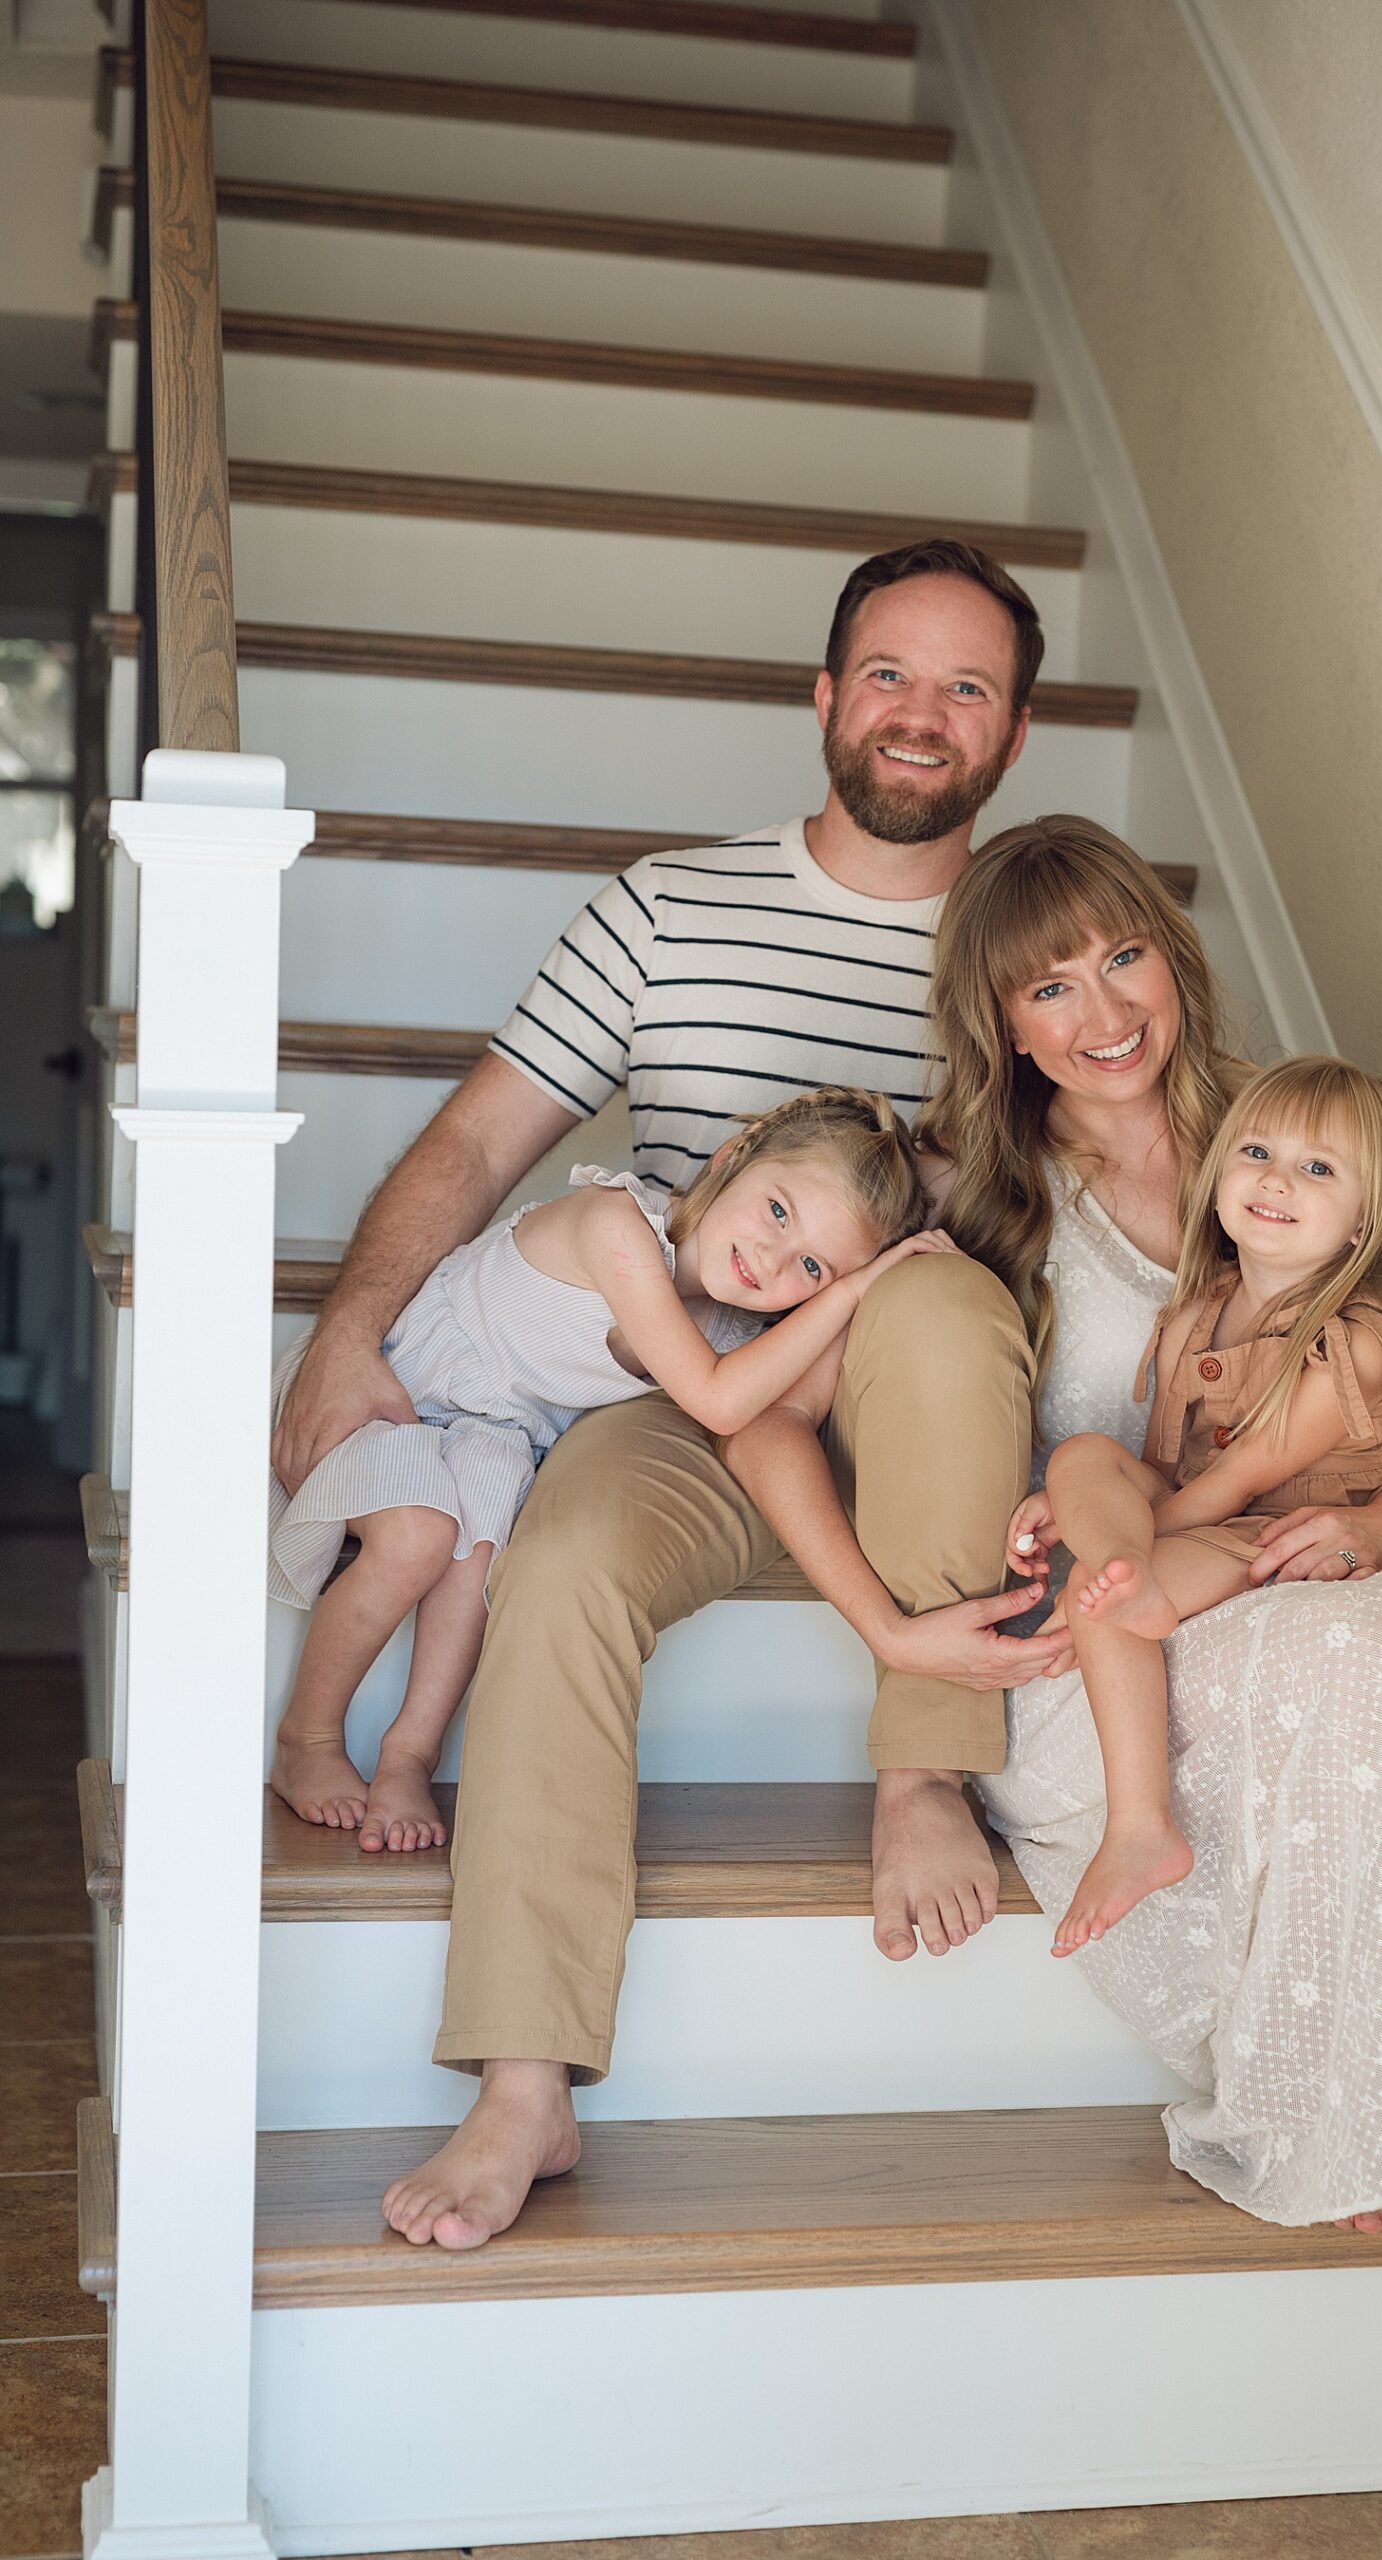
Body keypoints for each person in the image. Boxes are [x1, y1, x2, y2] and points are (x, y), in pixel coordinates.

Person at [272, 539, 1075, 2252]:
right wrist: (352, 1329)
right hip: (690, 1381)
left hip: (925, 1402)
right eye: (888, 673)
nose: (919, 713)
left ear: (1011, 734)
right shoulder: (667, 906)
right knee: (559, 1556)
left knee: (935, 1297)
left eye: (966, 688)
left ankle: (924, 1771)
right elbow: (479, 1140)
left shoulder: (1029, 952)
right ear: (825, 696)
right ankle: (524, 2079)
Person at [726, 815, 1382, 2317]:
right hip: (1105, 1624)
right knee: (1330, 1643)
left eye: (1124, 958)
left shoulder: (1287, 1130)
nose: (1103, 1015)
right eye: (1050, 988)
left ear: (1175, 957)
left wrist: (1380, 1527)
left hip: (1271, 1555)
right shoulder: (960, 1190)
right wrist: (888, 1628)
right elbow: (764, 1412)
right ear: (1000, 1023)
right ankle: (1333, 2106)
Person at [268, 1091, 945, 1853]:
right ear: (731, 1160)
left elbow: (768, 1402)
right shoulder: (616, 1226)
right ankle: (308, 1738)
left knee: (478, 1558)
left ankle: (407, 1758)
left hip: (488, 1439)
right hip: (402, 1390)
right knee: (419, 1537)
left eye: (812, 1266)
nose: (771, 1258)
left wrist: (863, 1284)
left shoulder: (734, 1322)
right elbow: (719, 1402)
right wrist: (850, 1287)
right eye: (777, 1211)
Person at [1011, 1056, 1382, 1954]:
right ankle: (1120, 1568)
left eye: (1317, 1168)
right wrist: (1093, 1507)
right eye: (1256, 1152)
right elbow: (1161, 1469)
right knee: (1081, 1455)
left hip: (1280, 1531)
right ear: (1218, 1172)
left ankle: (1140, 1828)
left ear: (1363, 1221)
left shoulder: (1357, 1343)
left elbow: (1232, 1487)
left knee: (1104, 1604)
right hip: (1208, 1512)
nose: (1276, 1180)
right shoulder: (1192, 1314)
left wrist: (1109, 1556)